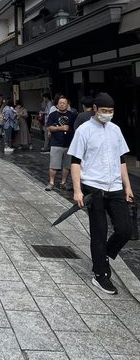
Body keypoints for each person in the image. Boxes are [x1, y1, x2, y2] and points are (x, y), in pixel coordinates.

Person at [68, 92, 134, 295]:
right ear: (95, 109)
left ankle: (104, 254)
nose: (107, 114)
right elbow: (75, 162)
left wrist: (128, 187)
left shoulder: (115, 130)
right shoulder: (84, 130)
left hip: (115, 186)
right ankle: (100, 274)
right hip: (93, 186)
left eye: (111, 111)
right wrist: (77, 190)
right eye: (104, 110)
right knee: (99, 230)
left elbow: (121, 159)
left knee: (125, 230)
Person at [44, 95, 76, 190]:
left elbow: (75, 128)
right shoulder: (53, 115)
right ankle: (51, 183)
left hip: (69, 144)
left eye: (64, 103)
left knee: (67, 165)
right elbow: (49, 127)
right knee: (53, 164)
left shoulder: (72, 115)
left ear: (67, 104)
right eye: (60, 103)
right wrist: (60, 128)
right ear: (57, 105)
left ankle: (63, 182)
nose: (62, 104)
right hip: (56, 143)